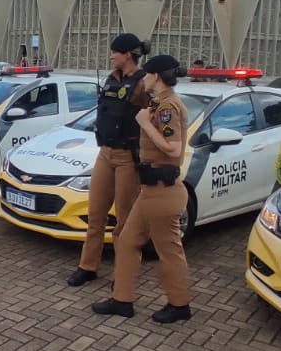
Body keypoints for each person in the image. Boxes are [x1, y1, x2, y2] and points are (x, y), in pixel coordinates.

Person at [92, 54, 193, 324]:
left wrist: (145, 124)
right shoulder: (158, 104)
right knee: (126, 241)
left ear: (156, 76)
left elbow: (173, 148)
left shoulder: (167, 107)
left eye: (147, 74)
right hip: (151, 191)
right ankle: (122, 300)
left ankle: (179, 304)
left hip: (162, 191)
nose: (144, 78)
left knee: (168, 250)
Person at [67, 33, 150, 287]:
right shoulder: (111, 80)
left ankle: (123, 275)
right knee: (96, 214)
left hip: (128, 157)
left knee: (125, 220)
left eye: (115, 52)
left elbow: (152, 122)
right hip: (105, 153)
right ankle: (88, 266)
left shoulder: (143, 84)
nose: (111, 55)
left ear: (127, 55)